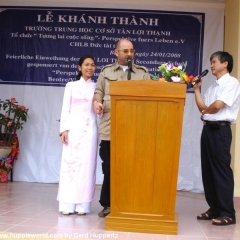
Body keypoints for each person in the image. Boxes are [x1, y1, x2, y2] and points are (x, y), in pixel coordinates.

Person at [93, 38, 151, 217]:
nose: (129, 54)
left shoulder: (142, 72)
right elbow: (99, 92)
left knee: (134, 167)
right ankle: (108, 204)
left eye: (131, 51)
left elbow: (151, 94)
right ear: (116, 52)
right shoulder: (106, 71)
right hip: (111, 128)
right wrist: (96, 102)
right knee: (110, 167)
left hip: (136, 129)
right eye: (125, 51)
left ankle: (133, 202)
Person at [193, 51, 240, 226]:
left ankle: (228, 213)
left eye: (214, 62)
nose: (211, 65)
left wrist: (206, 112)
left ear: (225, 63)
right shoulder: (213, 87)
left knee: (221, 172)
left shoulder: (232, 82)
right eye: (211, 62)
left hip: (220, 131)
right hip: (208, 131)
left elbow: (217, 107)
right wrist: (197, 89)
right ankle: (214, 208)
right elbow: (203, 108)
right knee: (208, 172)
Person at [57, 55, 98, 215]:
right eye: (86, 65)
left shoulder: (97, 87)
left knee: (87, 167)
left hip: (89, 131)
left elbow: (99, 111)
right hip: (73, 130)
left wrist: (100, 110)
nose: (90, 68)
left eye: (93, 65)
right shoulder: (71, 86)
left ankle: (83, 205)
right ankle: (67, 205)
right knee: (70, 165)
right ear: (79, 67)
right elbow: (65, 108)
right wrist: (64, 129)